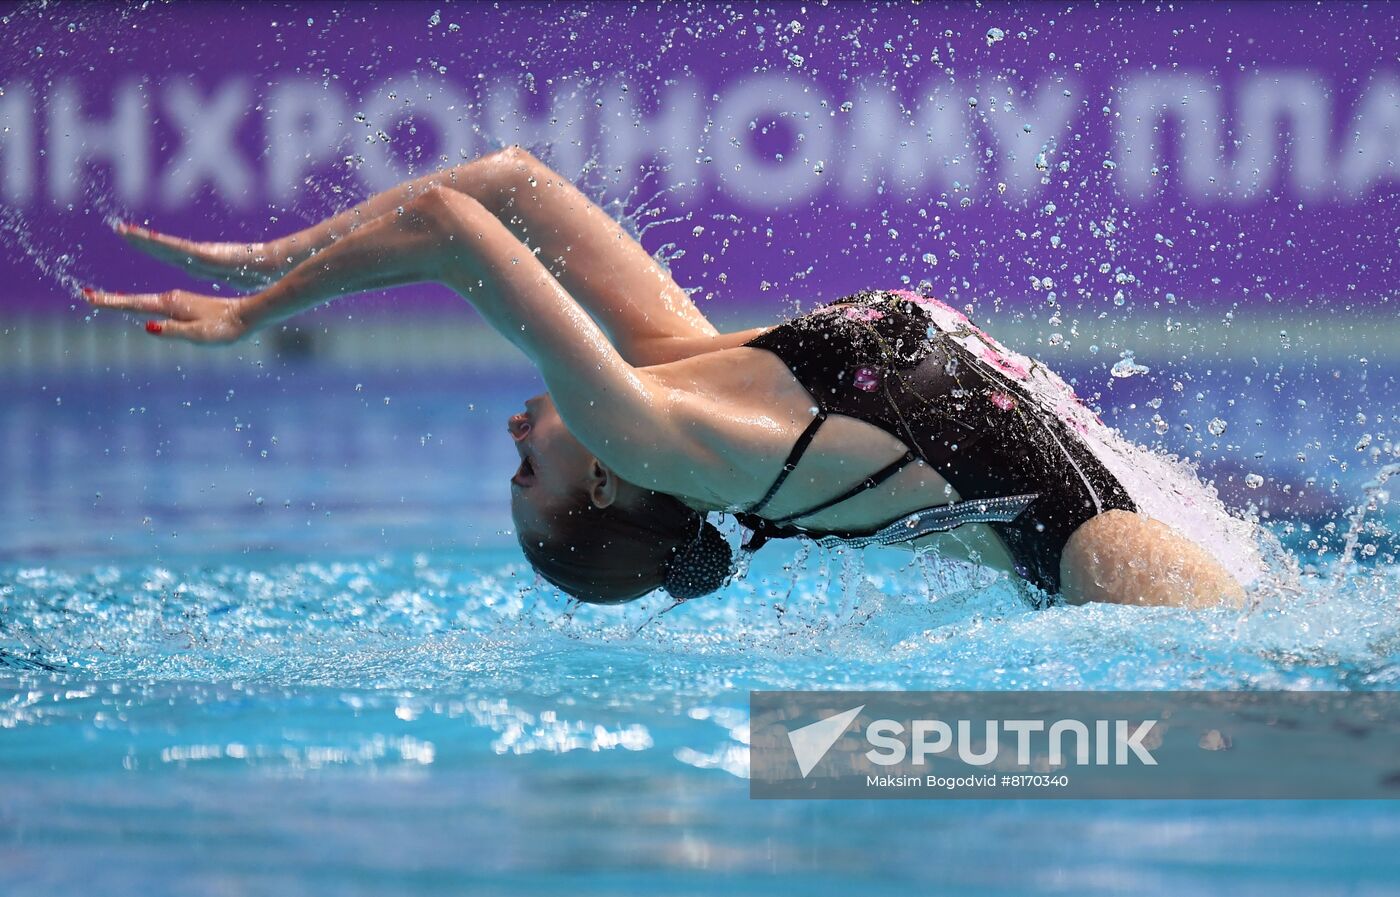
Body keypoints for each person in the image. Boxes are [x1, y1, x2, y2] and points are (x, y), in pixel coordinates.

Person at [84, 145, 1250, 610]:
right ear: (600, 489)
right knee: (1329, 723)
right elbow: (445, 231)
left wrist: (264, 263)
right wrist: (251, 317)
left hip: (1134, 505)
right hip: (1099, 554)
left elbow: (503, 187)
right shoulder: (648, 435)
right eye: (520, 470)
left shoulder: (680, 367)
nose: (514, 427)